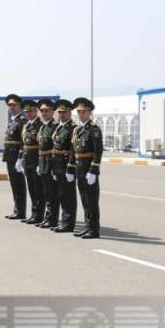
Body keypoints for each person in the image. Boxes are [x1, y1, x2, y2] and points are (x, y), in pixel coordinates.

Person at [72, 97, 104, 238]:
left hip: (88, 168)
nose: (81, 114)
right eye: (79, 111)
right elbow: (75, 150)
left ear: (89, 112)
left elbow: (98, 151)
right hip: (79, 168)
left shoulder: (94, 130)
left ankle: (93, 229)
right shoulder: (78, 130)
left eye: (83, 111)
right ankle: (87, 226)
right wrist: (71, 168)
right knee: (84, 199)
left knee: (91, 200)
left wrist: (94, 169)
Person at [50, 99, 79, 233]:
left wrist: (71, 167)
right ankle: (64, 221)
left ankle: (68, 223)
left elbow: (73, 149)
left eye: (64, 112)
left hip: (66, 164)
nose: (62, 115)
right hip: (57, 164)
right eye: (60, 112)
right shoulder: (58, 127)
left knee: (68, 195)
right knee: (61, 194)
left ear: (70, 112)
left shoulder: (73, 128)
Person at [35, 99, 60, 229]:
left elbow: (54, 148)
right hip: (43, 161)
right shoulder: (43, 127)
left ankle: (52, 219)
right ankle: (47, 217)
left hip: (50, 162)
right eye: (42, 111)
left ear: (52, 112)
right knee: (46, 192)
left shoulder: (54, 127)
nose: (44, 113)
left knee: (52, 193)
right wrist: (40, 163)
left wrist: (53, 166)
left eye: (47, 110)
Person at [2, 94, 27, 219]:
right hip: (10, 157)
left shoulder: (22, 121)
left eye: (14, 105)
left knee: (19, 184)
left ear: (19, 106)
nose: (11, 107)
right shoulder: (12, 122)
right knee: (14, 185)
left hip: (17, 158)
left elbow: (24, 141)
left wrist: (20, 159)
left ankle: (21, 211)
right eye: (10, 105)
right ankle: (17, 209)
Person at [20, 100, 45, 225]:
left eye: (30, 111)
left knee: (38, 189)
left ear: (36, 111)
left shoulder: (40, 125)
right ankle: (34, 213)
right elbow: (24, 144)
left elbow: (42, 145)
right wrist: (21, 159)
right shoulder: (26, 126)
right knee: (31, 188)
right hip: (27, 160)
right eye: (26, 112)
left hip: (35, 160)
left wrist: (40, 162)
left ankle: (39, 215)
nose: (28, 114)